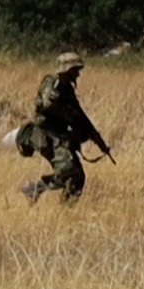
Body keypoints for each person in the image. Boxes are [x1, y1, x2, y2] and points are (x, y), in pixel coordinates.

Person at [19, 51, 109, 204]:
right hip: (46, 134)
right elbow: (47, 105)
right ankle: (34, 189)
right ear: (66, 70)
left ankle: (66, 209)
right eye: (75, 70)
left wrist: (94, 137)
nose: (78, 75)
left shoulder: (68, 90)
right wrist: (69, 115)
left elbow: (79, 114)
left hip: (59, 135)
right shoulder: (51, 83)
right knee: (69, 171)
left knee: (77, 177)